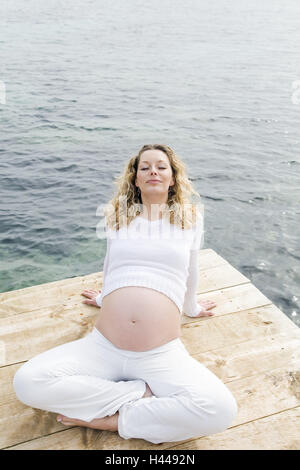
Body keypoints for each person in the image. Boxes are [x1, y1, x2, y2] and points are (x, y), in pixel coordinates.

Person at [13, 144, 238, 444]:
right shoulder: (118, 215)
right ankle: (137, 394)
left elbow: (191, 269)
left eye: (161, 166)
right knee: (27, 383)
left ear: (173, 178)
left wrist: (192, 307)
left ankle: (117, 420)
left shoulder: (189, 218)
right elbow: (111, 263)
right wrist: (106, 297)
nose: (153, 171)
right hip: (103, 347)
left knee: (221, 410)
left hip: (160, 353)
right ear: (135, 179)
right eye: (144, 167)